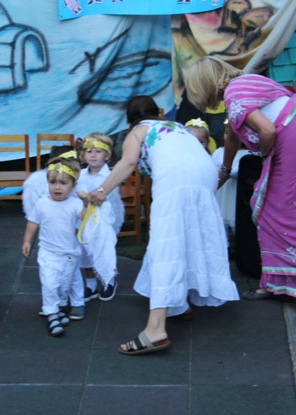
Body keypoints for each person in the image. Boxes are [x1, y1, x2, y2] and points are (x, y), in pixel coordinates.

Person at [183, 55, 296, 322]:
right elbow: (232, 135)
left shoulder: (235, 94)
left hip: (294, 139)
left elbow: (267, 130)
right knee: (269, 208)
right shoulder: (244, 84)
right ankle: (275, 281)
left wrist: (264, 155)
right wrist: (223, 171)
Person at [84, 95, 239, 355]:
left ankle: (156, 329)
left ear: (130, 119)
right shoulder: (177, 127)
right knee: (188, 237)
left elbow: (128, 162)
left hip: (176, 180)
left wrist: (101, 190)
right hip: (206, 176)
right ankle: (179, 303)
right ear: (157, 112)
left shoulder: (138, 130)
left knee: (165, 245)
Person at [22, 157, 87, 336]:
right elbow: (33, 222)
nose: (57, 187)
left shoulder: (75, 203)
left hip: (70, 252)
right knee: (49, 283)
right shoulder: (43, 203)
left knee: (69, 281)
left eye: (63, 183)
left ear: (73, 185)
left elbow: (83, 217)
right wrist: (27, 241)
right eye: (53, 182)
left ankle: (64, 306)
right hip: (48, 252)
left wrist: (86, 203)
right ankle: (51, 314)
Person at [75, 132, 123, 302]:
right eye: (89, 151)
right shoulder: (79, 175)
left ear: (107, 155)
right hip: (83, 220)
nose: (93, 155)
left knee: (103, 251)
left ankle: (109, 280)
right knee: (84, 253)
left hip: (103, 221)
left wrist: (89, 197)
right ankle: (91, 284)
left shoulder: (110, 178)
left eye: (98, 151)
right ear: (83, 154)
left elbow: (111, 201)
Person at [22, 146, 78, 218]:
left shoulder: (77, 178)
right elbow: (31, 210)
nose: (57, 187)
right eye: (52, 182)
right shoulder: (36, 180)